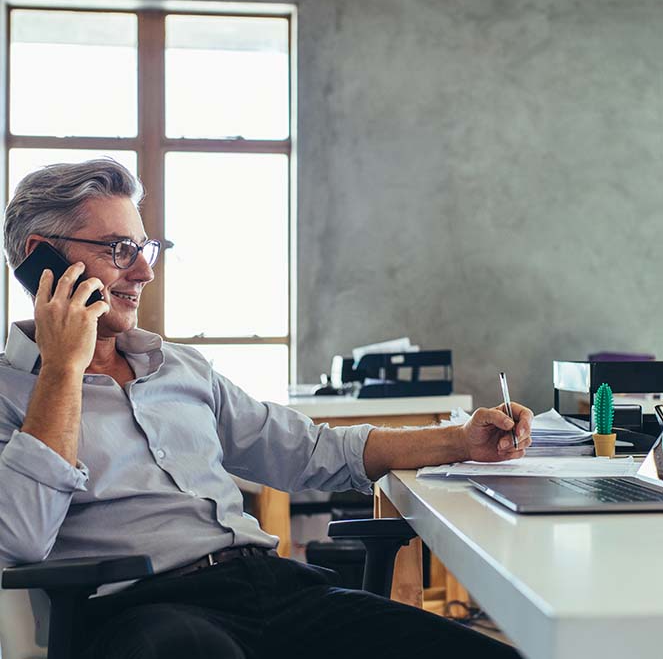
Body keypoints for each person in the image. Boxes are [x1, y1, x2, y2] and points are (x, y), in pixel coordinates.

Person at [0, 159, 533, 659]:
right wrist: (63, 369)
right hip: (146, 614)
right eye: (119, 249)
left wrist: (462, 440)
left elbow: (315, 450)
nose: (144, 272)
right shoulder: (7, 392)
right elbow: (21, 534)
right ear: (40, 257)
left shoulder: (181, 369)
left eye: (146, 248)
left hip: (274, 591)